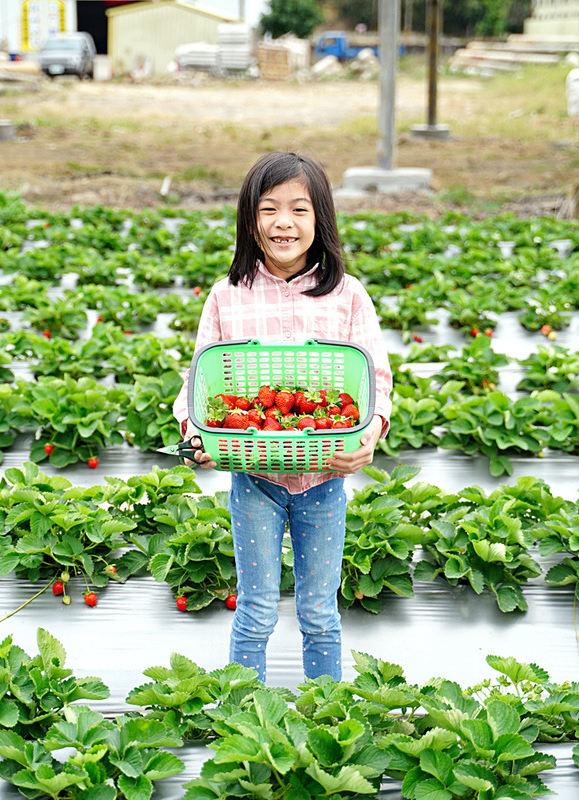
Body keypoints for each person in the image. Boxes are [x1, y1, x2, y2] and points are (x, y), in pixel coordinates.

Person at [172, 151, 393, 684]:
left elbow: (376, 380)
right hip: (254, 475)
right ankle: (244, 717)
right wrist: (195, 434)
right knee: (255, 611)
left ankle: (325, 712)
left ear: (321, 220)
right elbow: (199, 381)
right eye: (268, 209)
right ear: (251, 220)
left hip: (324, 477)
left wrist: (371, 433)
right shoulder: (228, 297)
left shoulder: (347, 296)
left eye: (299, 209)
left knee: (320, 614)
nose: (283, 223)